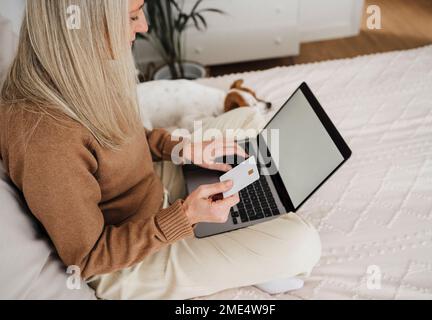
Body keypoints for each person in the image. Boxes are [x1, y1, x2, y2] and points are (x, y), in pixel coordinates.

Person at [0, 0, 321, 299]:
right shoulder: (45, 134)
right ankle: (250, 252)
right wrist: (185, 216)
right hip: (128, 259)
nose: (145, 27)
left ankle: (244, 235)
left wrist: (181, 149)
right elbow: (89, 257)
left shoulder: (80, 69)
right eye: (132, 16)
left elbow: (120, 135)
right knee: (302, 242)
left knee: (248, 118)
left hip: (151, 188)